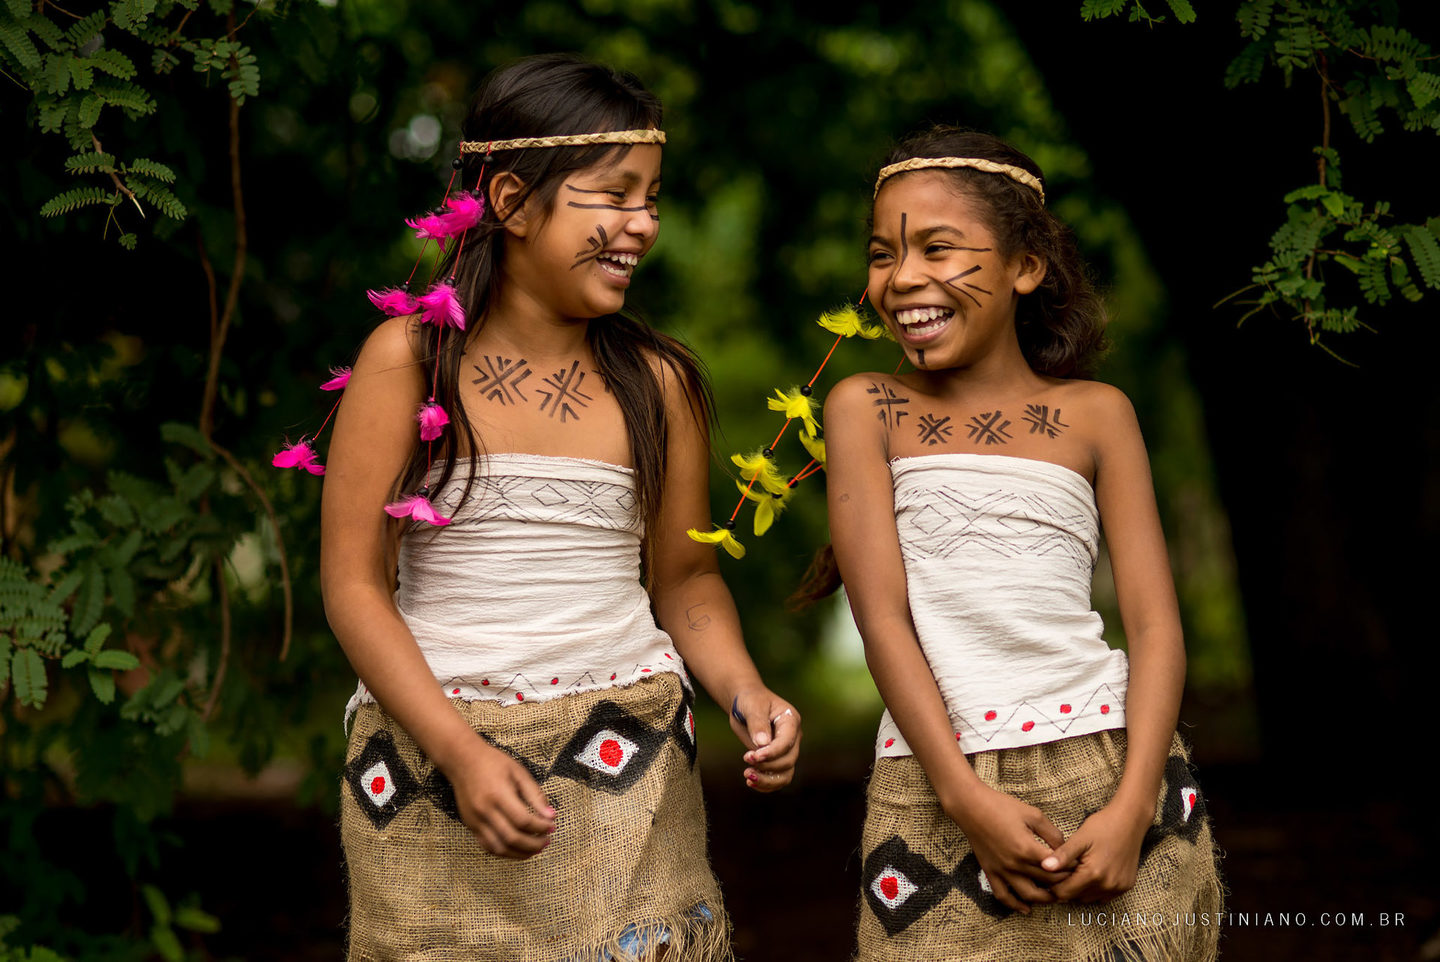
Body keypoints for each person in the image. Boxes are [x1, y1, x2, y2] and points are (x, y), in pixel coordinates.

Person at [320, 54, 799, 962]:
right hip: (430, 759)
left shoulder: (658, 385)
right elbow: (353, 585)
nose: (642, 225)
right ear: (510, 200)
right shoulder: (407, 362)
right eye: (614, 196)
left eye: (652, 199)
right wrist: (459, 753)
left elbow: (686, 579)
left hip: (629, 765)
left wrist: (747, 692)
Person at [821, 127, 1222, 962]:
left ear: (1025, 267)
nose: (901, 280)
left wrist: (1133, 806)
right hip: (937, 780)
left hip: (1111, 765)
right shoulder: (868, 407)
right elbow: (882, 621)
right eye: (882, 254)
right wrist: (966, 799)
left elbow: (1154, 629)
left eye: (937, 248)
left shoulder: (1098, 414)